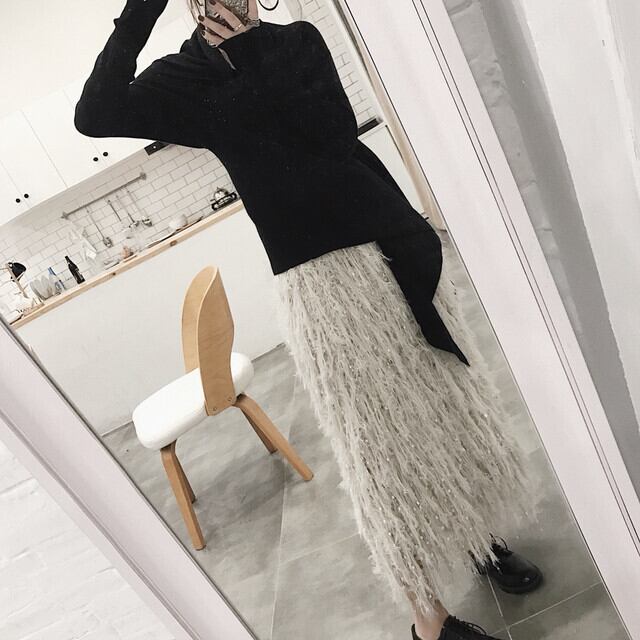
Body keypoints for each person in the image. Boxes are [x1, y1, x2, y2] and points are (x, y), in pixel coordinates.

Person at [74, 1, 542, 638]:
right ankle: (427, 620)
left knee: (447, 397)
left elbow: (331, 132)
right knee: (374, 440)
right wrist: (140, 12)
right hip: (320, 278)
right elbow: (93, 114)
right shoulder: (186, 77)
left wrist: (250, 55)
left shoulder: (297, 39)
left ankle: (481, 538)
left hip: (386, 238)